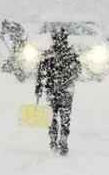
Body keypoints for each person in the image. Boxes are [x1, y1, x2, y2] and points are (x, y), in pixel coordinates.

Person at [35, 27, 82, 155]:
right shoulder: (71, 53)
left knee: (52, 116)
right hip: (66, 90)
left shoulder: (49, 54)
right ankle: (63, 140)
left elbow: (40, 73)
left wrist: (38, 88)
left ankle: (53, 140)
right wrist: (68, 80)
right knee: (65, 117)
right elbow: (78, 71)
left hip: (52, 90)